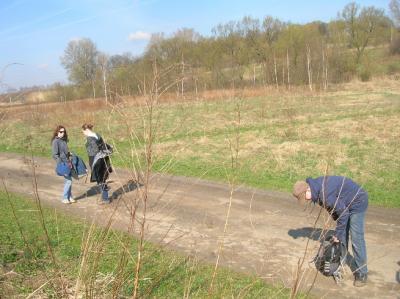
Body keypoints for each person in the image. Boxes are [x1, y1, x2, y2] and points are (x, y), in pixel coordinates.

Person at [292, 176, 368, 287]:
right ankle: (340, 263)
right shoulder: (316, 191)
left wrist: (337, 233)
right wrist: (338, 225)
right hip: (345, 203)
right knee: (342, 234)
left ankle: (362, 272)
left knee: (356, 238)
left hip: (358, 201)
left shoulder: (323, 193)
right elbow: (332, 208)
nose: (306, 200)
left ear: (307, 190)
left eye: (304, 197)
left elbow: (344, 213)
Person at [81, 123, 112, 204]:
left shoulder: (90, 138)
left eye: (83, 131)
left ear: (86, 130)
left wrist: (87, 145)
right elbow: (102, 145)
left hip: (95, 159)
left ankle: (105, 198)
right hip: (103, 158)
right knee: (103, 177)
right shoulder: (97, 135)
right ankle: (105, 197)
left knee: (99, 178)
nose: (83, 133)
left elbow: (94, 151)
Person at [51, 125, 76, 204]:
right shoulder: (56, 141)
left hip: (68, 162)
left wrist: (69, 154)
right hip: (63, 164)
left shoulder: (63, 141)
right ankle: (65, 198)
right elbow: (55, 155)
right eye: (61, 132)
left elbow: (65, 152)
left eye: (64, 132)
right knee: (69, 181)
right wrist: (60, 163)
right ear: (57, 132)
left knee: (68, 181)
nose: (62, 133)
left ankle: (70, 196)